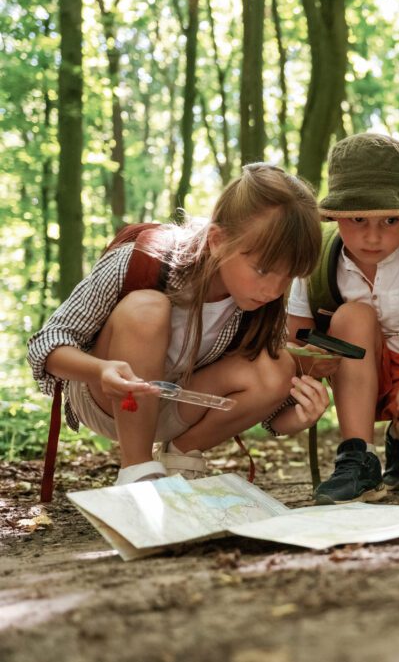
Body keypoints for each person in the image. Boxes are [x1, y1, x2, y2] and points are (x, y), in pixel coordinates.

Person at [27, 163, 331, 486]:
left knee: (280, 366)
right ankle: (137, 472)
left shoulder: (261, 306)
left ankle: (180, 457)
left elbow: (270, 409)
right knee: (147, 309)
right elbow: (46, 344)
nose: (273, 290)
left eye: (287, 277)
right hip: (109, 400)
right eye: (262, 270)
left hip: (179, 409)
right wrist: (100, 371)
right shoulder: (141, 260)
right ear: (217, 241)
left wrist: (300, 416)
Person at [287, 133, 399, 503]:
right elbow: (297, 338)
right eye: (357, 218)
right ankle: (358, 457)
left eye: (389, 220)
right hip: (351, 370)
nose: (373, 236)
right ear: (335, 215)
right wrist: (311, 364)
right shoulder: (316, 262)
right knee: (355, 315)